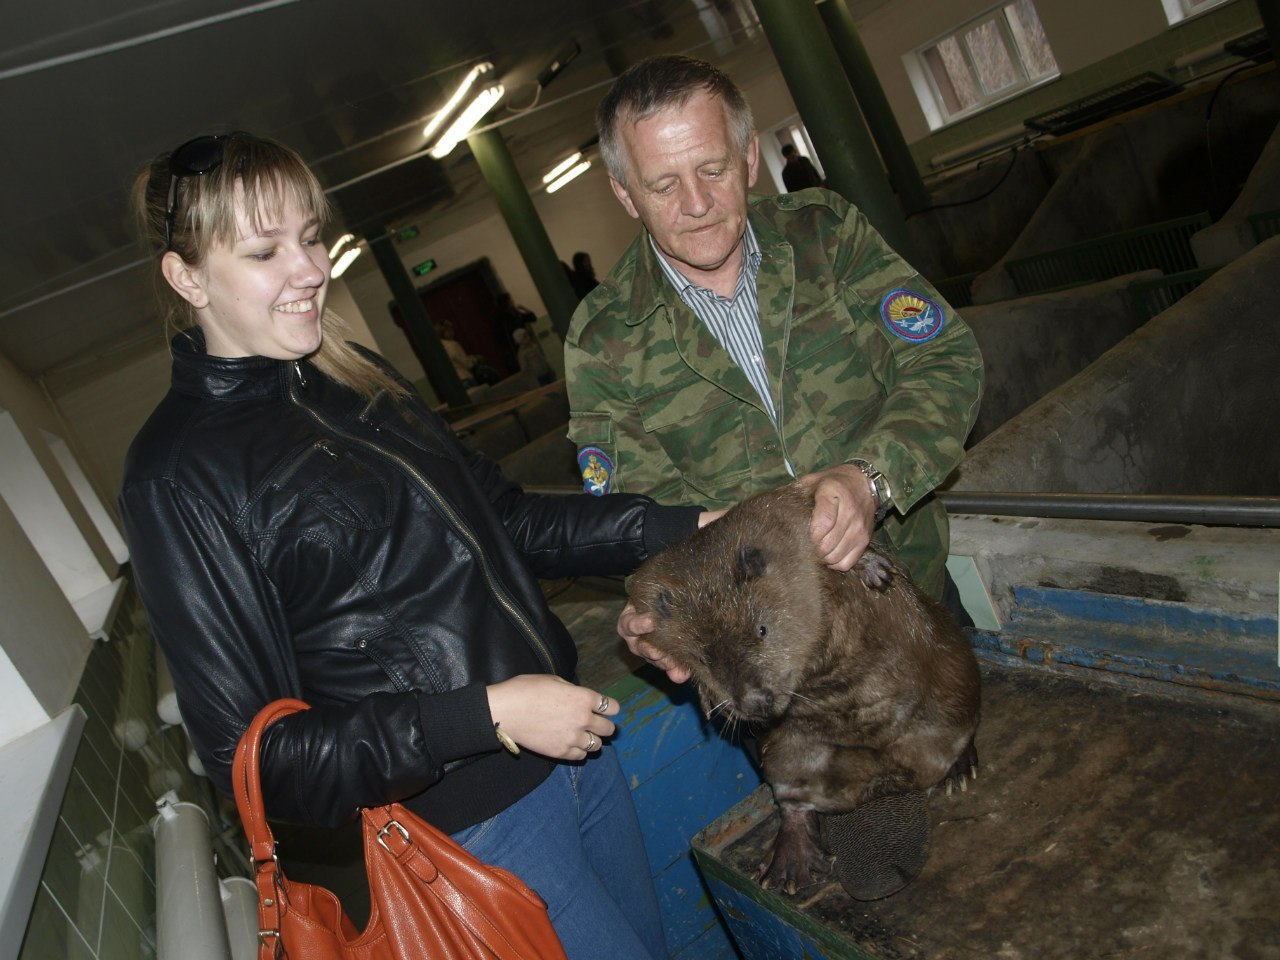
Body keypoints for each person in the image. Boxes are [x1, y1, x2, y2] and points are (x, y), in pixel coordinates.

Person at [119, 130, 718, 960]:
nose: (309, 269)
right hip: (473, 830)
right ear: (186, 277)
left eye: (311, 236)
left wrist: (686, 529)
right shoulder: (179, 474)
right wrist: (486, 714)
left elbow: (506, 522)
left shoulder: (350, 371)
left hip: (575, 755)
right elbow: (256, 761)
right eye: (264, 251)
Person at [563, 53, 984, 667]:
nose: (697, 202)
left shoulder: (827, 237)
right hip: (770, 650)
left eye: (713, 168)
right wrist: (666, 609)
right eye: (662, 185)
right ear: (626, 195)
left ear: (751, 159)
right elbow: (640, 514)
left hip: (915, 592)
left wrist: (869, 477)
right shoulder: (603, 338)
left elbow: (944, 359)